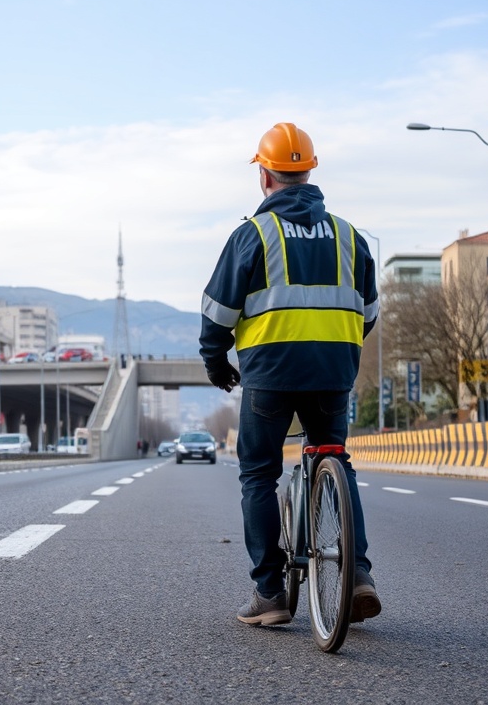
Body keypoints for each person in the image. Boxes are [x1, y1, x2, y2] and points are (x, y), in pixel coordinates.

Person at [198, 122, 382, 627]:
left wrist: (218, 363)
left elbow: (217, 314)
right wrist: (336, 352)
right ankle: (359, 573)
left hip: (270, 376)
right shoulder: (350, 237)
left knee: (258, 473)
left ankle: (270, 594)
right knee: (336, 460)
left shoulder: (253, 235)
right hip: (332, 371)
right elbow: (368, 313)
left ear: (265, 176)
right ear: (309, 173)